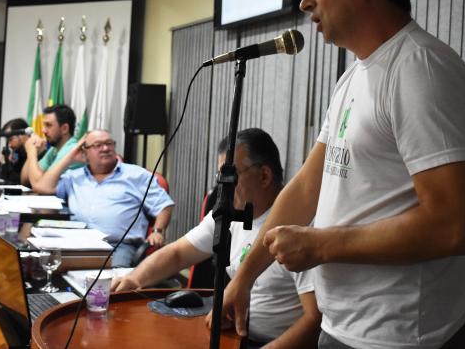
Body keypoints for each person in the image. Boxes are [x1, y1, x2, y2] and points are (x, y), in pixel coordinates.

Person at [220, 0, 465, 349]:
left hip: (399, 337)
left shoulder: (420, 70)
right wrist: (246, 276)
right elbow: (307, 187)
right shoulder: (354, 76)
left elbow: (454, 226)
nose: (306, 1)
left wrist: (321, 245)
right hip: (343, 326)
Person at [112, 128, 321, 348]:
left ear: (264, 176)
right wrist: (134, 280)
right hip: (231, 337)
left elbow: (315, 319)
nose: (223, 187)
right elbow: (177, 253)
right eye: (221, 177)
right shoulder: (231, 214)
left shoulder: (298, 229)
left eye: (231, 177)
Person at [33, 129, 174, 267]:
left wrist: (157, 231)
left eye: (109, 143)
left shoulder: (137, 175)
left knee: (112, 280)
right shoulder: (74, 177)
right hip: (77, 243)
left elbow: (164, 205)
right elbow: (42, 187)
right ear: (85, 151)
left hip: (118, 245)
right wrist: (69, 157)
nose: (105, 148)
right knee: (44, 267)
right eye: (97, 145)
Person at [21, 104, 83, 187]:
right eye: (44, 125)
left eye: (48, 125)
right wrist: (31, 153)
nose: (43, 130)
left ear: (64, 128)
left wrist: (32, 153)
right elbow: (25, 180)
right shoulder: (54, 149)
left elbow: (40, 184)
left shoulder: (72, 150)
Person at [0, 118, 32, 185]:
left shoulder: (33, 152)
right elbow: (6, 181)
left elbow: (18, 182)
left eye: (11, 139)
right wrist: (6, 164)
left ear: (22, 135)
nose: (9, 145)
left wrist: (5, 164)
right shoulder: (18, 152)